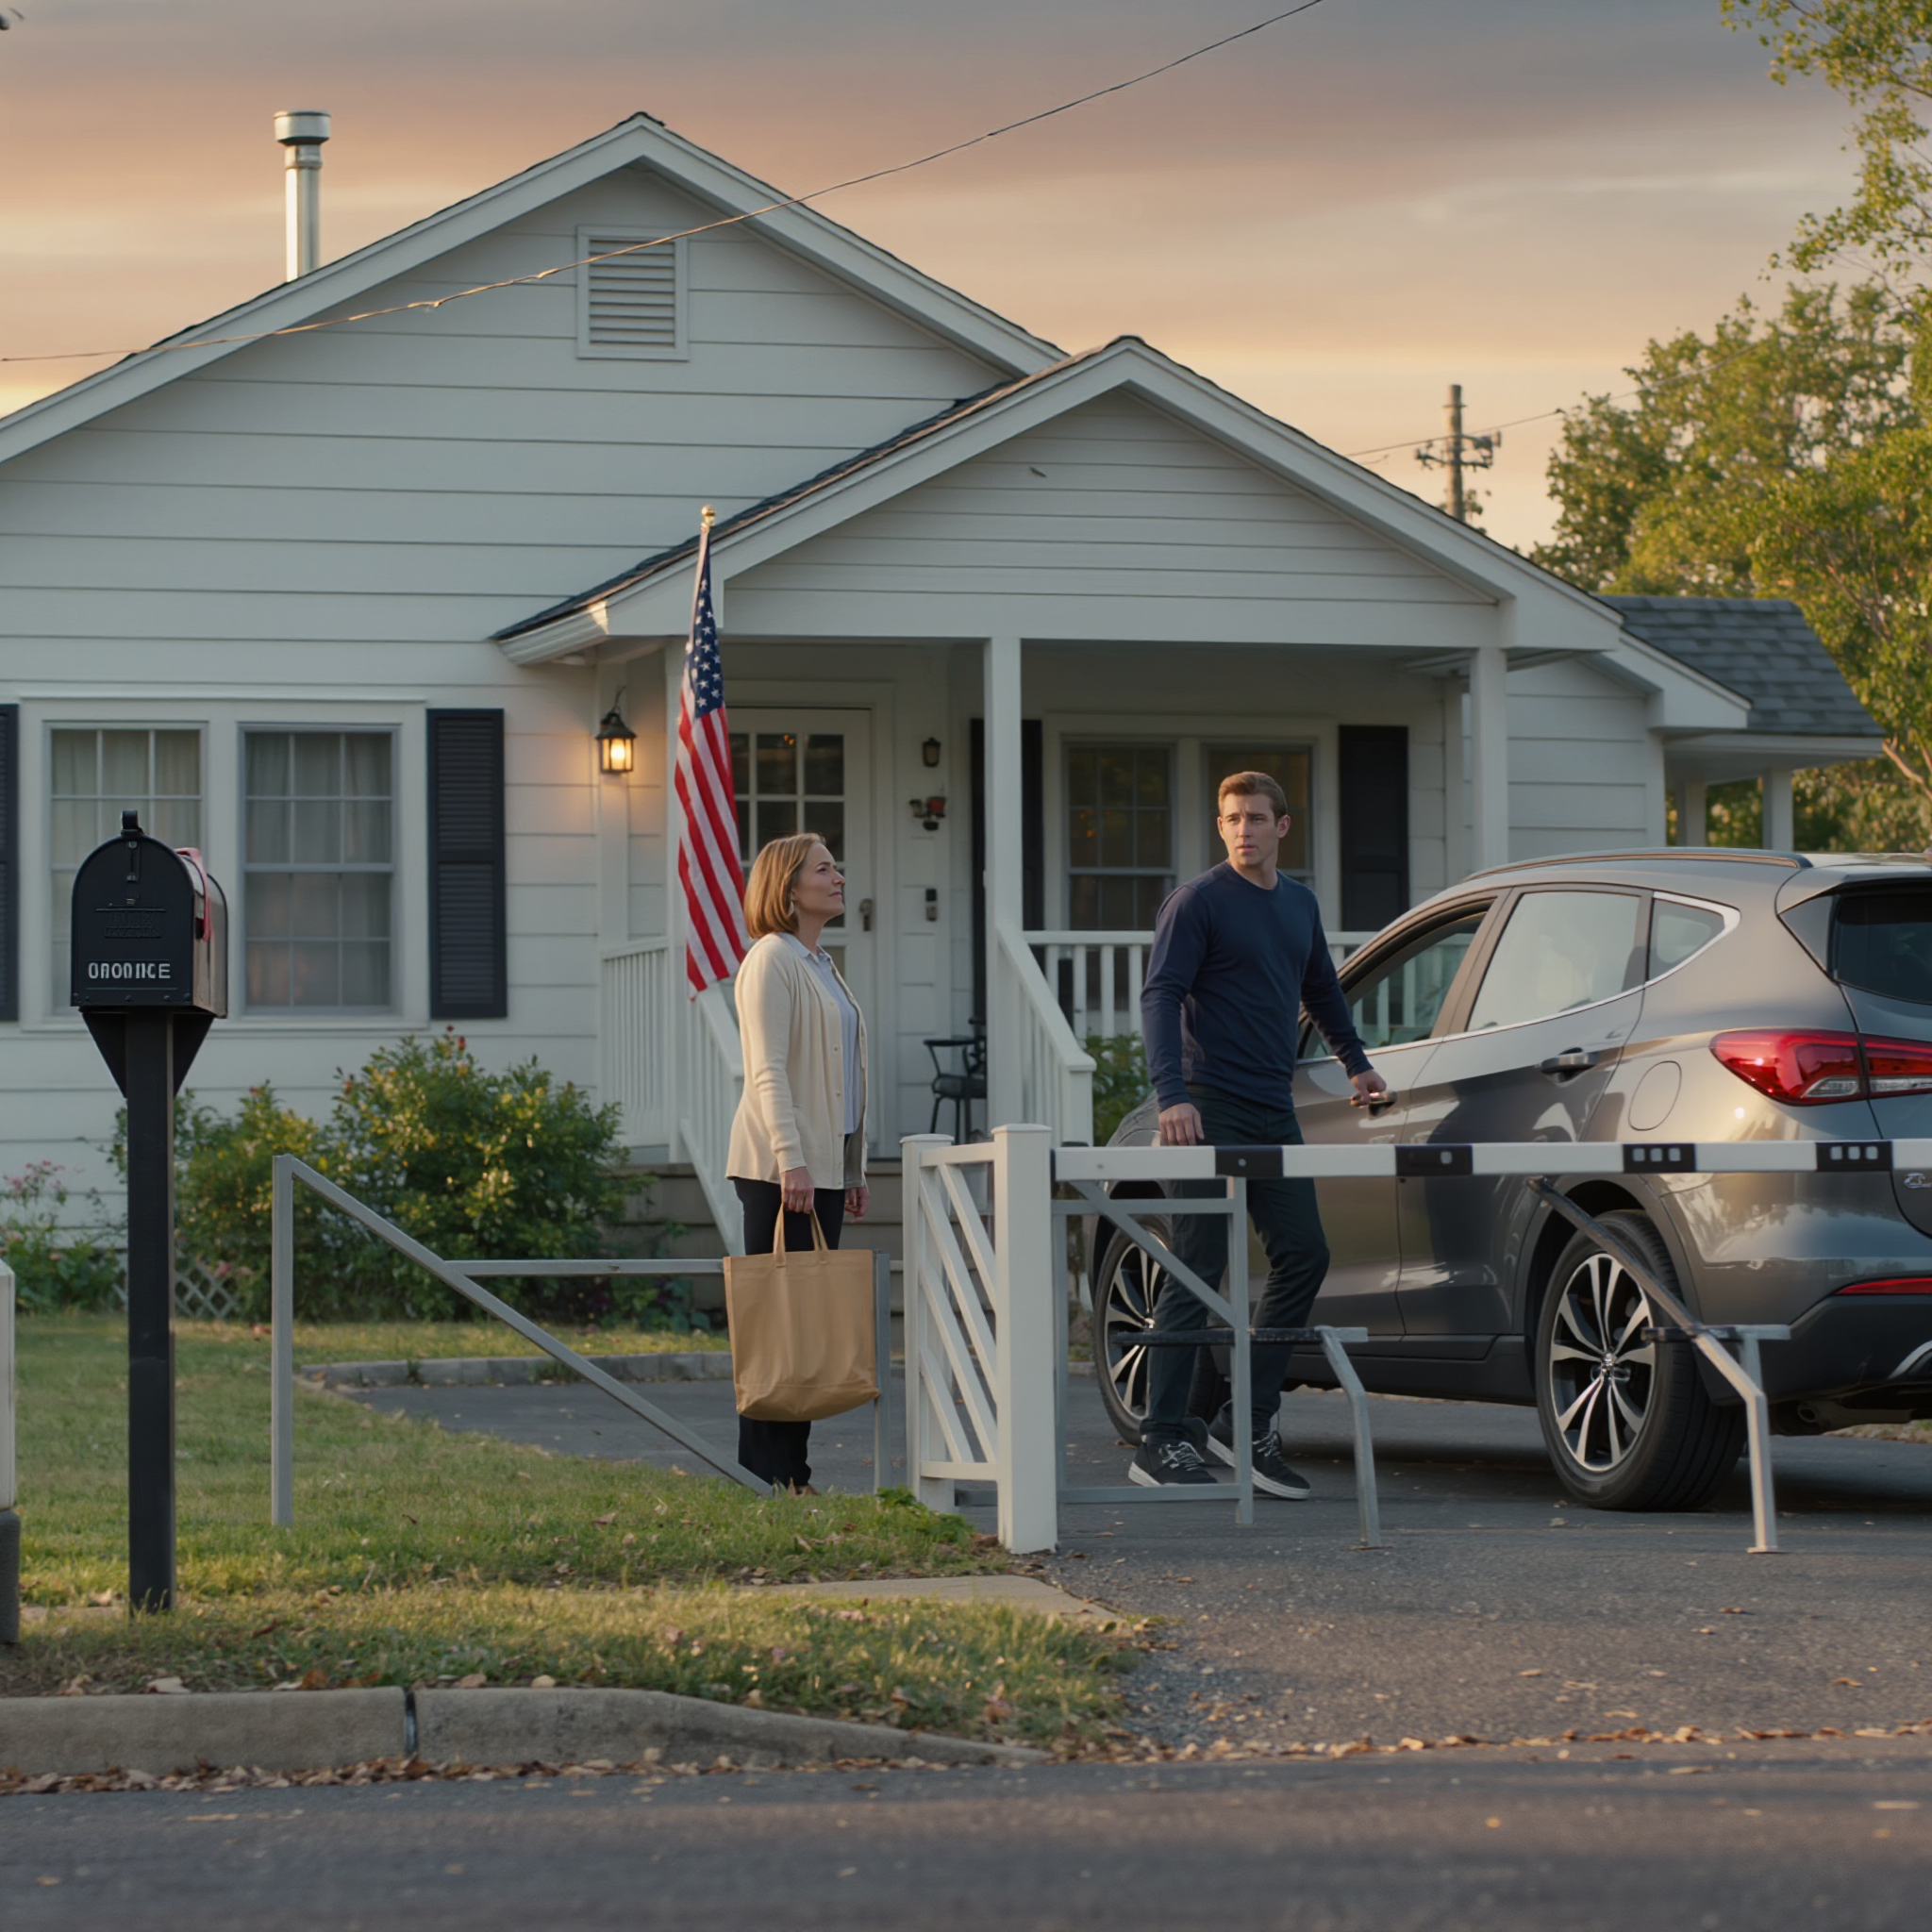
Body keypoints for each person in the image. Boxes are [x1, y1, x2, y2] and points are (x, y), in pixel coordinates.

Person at [1134, 772, 1387, 1495]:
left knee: (1304, 1253)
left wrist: (1357, 1064)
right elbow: (1161, 994)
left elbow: (1321, 989)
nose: (1243, 829)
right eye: (1232, 819)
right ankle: (1161, 1438)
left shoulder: (1299, 905)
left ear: (1283, 826)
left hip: (1274, 1106)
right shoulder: (1198, 902)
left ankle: (1245, 1421)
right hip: (1206, 1104)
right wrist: (1171, 1096)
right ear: (1221, 827)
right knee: (1197, 1262)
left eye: (1255, 817)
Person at [725, 832, 870, 1494]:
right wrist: (792, 1162)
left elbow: (844, 1075)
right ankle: (765, 1476)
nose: (838, 878)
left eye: (836, 868)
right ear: (788, 888)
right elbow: (768, 1072)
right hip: (778, 1169)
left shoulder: (821, 964)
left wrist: (852, 1166)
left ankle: (793, 1475)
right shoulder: (771, 959)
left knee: (805, 1321)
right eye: (824, 869)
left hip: (822, 1168)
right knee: (775, 1322)